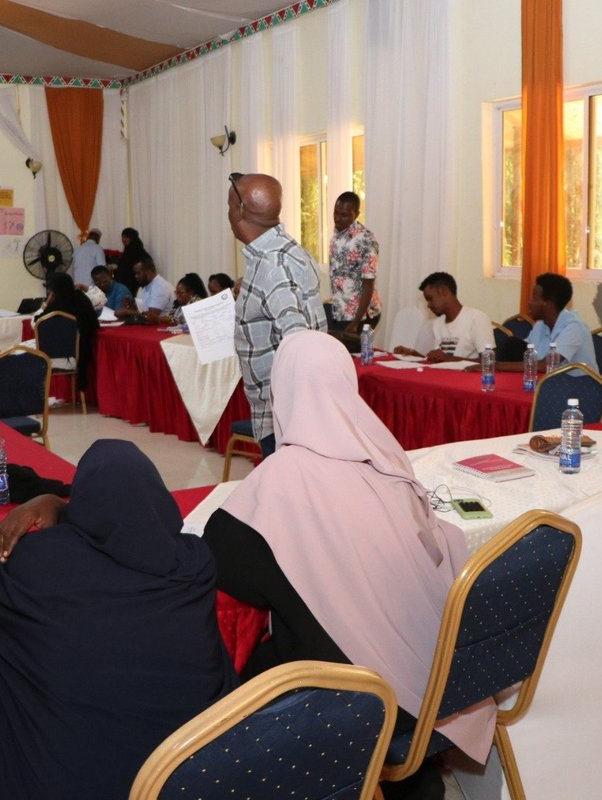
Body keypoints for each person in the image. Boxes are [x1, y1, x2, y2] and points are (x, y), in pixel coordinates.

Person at [202, 331, 495, 774]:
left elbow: (220, 559)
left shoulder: (283, 479)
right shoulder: (386, 456)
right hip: (435, 688)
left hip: (358, 706)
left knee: (233, 677)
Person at [0, 439, 236, 800]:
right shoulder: (194, 562)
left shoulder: (36, 564)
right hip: (195, 771)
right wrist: (61, 506)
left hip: (68, 781)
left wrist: (57, 506)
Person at [228, 172, 327, 457]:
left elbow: (298, 340)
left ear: (240, 211)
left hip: (284, 420)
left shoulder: (272, 266)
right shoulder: (288, 250)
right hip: (293, 415)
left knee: (290, 498)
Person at [506, 272, 598, 373]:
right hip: (550, 384)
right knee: (511, 345)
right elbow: (527, 355)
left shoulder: (574, 327)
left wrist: (496, 365)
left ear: (549, 304)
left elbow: (545, 366)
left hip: (580, 386)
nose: (529, 303)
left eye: (535, 299)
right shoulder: (540, 325)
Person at [394, 272, 494, 363]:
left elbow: (489, 362)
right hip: (443, 377)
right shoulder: (438, 323)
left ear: (444, 291)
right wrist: (413, 354)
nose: (428, 305)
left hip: (467, 380)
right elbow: (440, 360)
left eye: (430, 299)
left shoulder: (477, 318)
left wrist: (448, 358)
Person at [327, 191, 381, 337]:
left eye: (344, 215)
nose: (337, 219)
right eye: (335, 213)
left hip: (361, 315)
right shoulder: (337, 233)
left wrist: (356, 322)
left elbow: (368, 284)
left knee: (354, 357)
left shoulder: (365, 240)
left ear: (356, 214)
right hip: (341, 312)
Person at [38, 272, 99, 391]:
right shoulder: (80, 297)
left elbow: (38, 321)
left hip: (58, 355)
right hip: (82, 352)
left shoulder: (56, 305)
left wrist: (47, 302)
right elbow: (93, 322)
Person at [116, 257, 175, 321]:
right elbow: (142, 311)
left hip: (165, 327)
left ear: (149, 272)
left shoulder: (160, 286)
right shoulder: (145, 286)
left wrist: (127, 312)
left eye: (138, 273)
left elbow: (151, 316)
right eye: (135, 274)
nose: (136, 276)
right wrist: (131, 306)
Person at [114, 227, 147, 295]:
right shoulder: (126, 252)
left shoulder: (139, 253)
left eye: (126, 237)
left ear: (132, 238)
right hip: (122, 288)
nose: (123, 240)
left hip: (133, 288)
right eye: (122, 237)